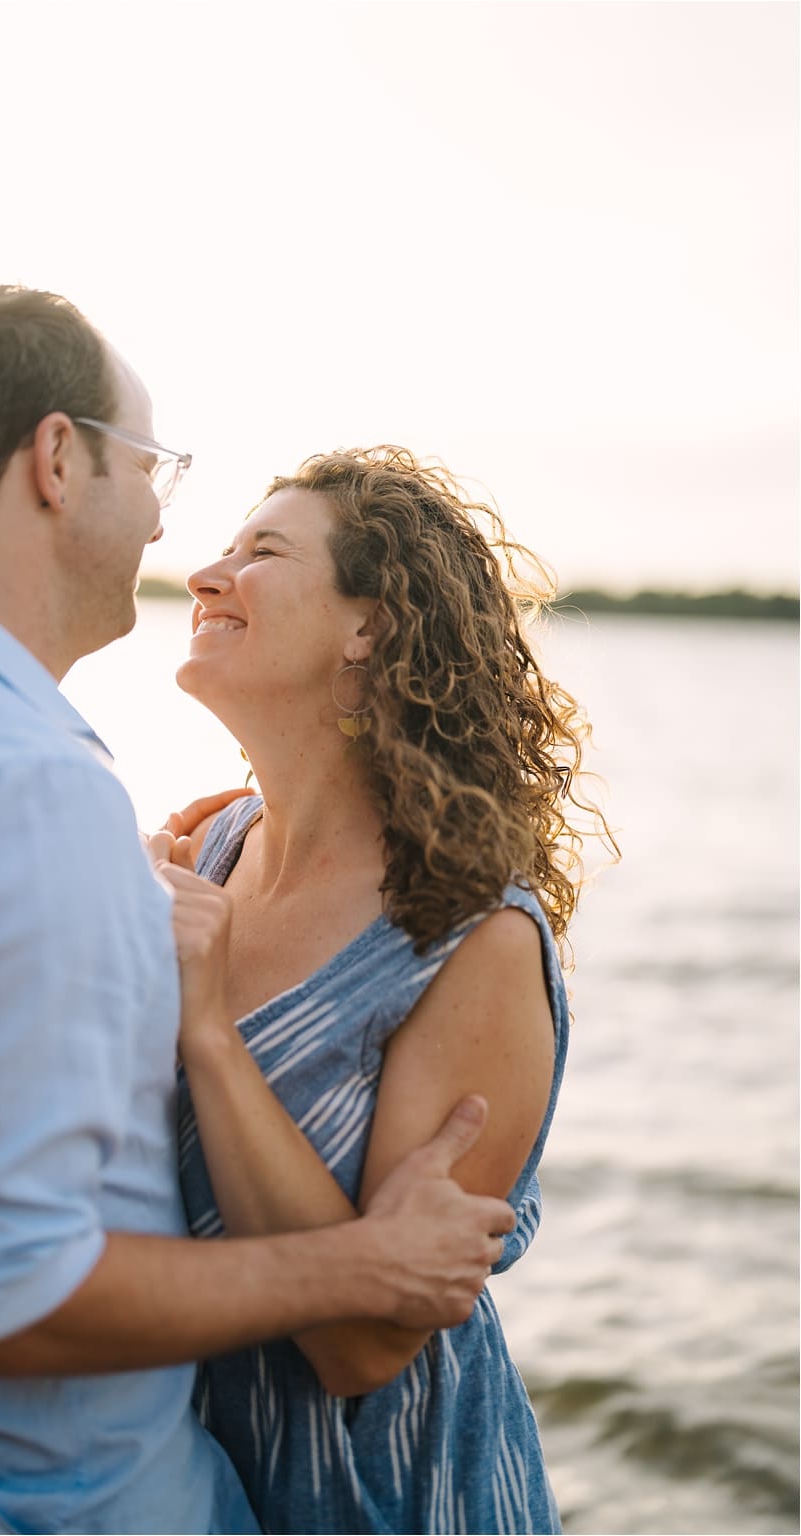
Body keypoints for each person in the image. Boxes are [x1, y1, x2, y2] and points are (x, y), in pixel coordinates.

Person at [0, 285, 519, 1535]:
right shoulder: (26, 788)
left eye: (258, 551)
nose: (175, 535)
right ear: (55, 461)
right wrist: (361, 1262)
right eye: (147, 464)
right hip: (29, 1504)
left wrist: (101, 907)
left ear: (369, 629)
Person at [154, 448, 613, 1532]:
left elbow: (363, 1343)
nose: (206, 576)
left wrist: (206, 1033)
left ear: (369, 626)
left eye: (262, 553)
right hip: (181, 1486)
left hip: (390, 1497)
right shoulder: (206, 851)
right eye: (223, 549)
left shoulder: (473, 937)